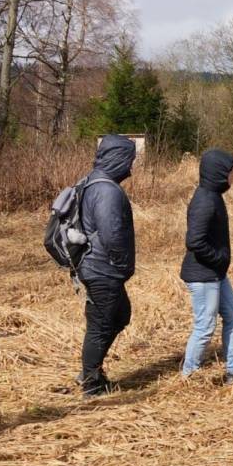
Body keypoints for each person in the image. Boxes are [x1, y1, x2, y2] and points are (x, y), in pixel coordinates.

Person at [78, 135, 138, 396]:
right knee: (101, 323)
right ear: (118, 159)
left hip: (97, 266)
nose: (131, 168)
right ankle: (90, 382)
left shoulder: (93, 181)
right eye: (129, 161)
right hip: (102, 269)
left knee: (120, 314)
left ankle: (91, 372)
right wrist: (122, 264)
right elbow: (112, 234)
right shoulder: (107, 191)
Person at [179, 148, 233, 382]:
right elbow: (194, 241)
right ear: (218, 172)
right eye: (230, 172)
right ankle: (189, 376)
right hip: (203, 274)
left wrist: (220, 264)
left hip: (215, 273)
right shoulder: (204, 200)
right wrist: (219, 258)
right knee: (205, 327)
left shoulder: (213, 196)